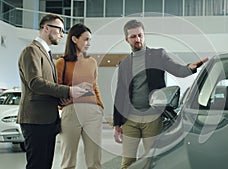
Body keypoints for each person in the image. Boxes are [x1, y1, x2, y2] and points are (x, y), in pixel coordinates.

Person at [113, 19, 208, 169]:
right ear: (126, 39)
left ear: (144, 35)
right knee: (127, 163)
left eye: (140, 35)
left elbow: (177, 69)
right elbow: (121, 92)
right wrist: (117, 123)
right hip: (130, 119)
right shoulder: (124, 63)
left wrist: (190, 68)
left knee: (151, 160)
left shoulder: (158, 55)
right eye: (133, 37)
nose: (137, 39)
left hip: (152, 118)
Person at [17, 14, 89, 169]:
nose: (62, 35)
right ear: (46, 28)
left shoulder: (46, 54)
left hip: (47, 120)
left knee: (45, 164)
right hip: (36, 120)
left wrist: (60, 100)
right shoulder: (31, 51)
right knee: (37, 165)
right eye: (60, 30)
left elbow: (46, 87)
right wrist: (68, 90)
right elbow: (35, 83)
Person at [55, 23, 104, 169]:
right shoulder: (61, 63)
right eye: (86, 39)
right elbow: (56, 88)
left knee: (94, 160)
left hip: (92, 111)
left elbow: (95, 86)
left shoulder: (92, 62)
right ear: (74, 39)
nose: (89, 43)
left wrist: (100, 106)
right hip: (71, 112)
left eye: (90, 40)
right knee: (68, 160)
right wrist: (62, 103)